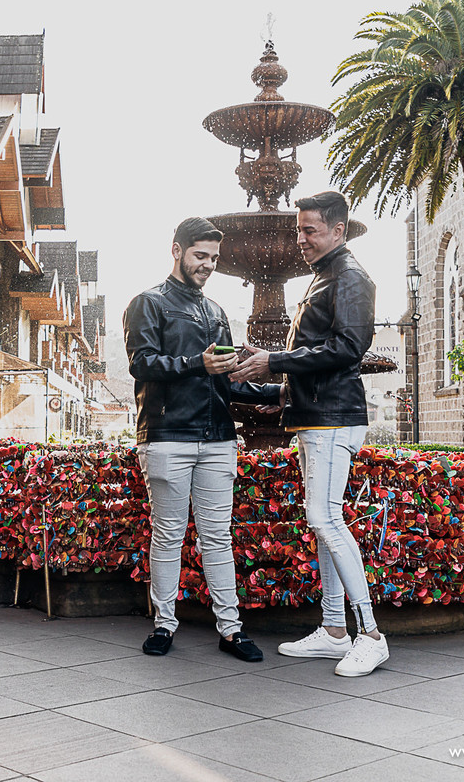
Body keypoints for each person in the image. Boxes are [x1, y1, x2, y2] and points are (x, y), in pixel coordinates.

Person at [229, 191, 388, 677]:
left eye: (310, 230)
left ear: (337, 230)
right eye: (298, 230)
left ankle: (372, 635)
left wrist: (274, 360)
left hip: (334, 418)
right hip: (316, 415)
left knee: (324, 517)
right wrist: (269, 366)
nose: (300, 239)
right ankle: (335, 631)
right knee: (322, 520)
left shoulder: (352, 277)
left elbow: (347, 349)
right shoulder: (326, 276)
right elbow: (319, 351)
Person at [123, 216, 282, 662]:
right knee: (169, 535)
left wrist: (284, 393)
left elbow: (229, 381)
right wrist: (198, 363)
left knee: (216, 537)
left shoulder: (215, 312)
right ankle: (164, 625)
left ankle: (231, 631)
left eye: (214, 257)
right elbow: (143, 364)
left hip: (217, 439)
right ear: (176, 250)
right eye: (200, 255)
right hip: (167, 435)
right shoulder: (147, 303)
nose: (208, 265)